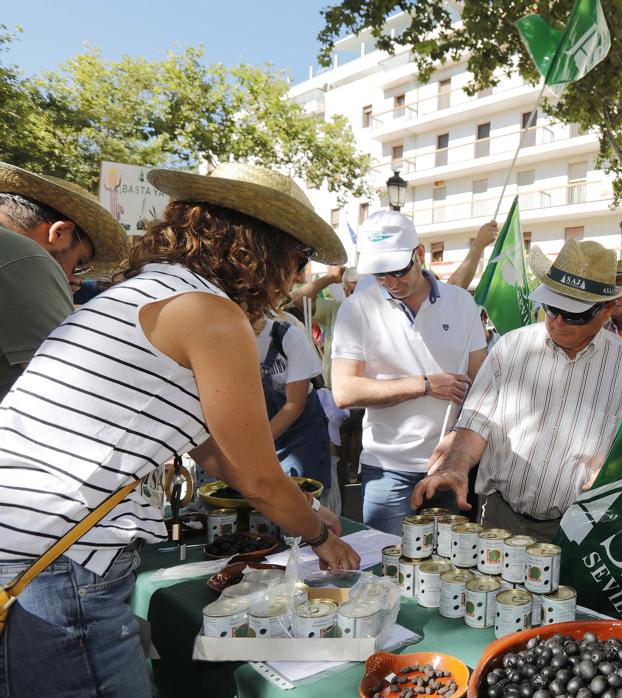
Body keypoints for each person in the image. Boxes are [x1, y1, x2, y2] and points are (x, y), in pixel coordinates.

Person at [0, 162, 360, 697]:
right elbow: (258, 476)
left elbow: (212, 447)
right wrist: (318, 536)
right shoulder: (211, 313)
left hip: (34, 544)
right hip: (64, 560)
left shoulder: (148, 292)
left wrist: (305, 510)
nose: (297, 275)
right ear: (262, 248)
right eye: (298, 257)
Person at [412, 240, 622, 542]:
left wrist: (613, 472)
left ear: (607, 310)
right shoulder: (511, 347)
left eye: (574, 314)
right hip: (499, 516)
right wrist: (457, 465)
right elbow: (477, 420)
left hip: (578, 528)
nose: (557, 321)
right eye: (552, 307)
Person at [331, 210, 487, 535]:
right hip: (386, 467)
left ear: (419, 254)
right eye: (379, 275)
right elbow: (344, 392)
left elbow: (484, 386)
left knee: (445, 571)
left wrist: (459, 440)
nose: (391, 283)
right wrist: (425, 385)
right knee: (385, 570)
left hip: (448, 464)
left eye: (398, 271)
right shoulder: (356, 308)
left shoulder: (461, 303)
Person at [0, 162, 127, 400]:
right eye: (80, 262)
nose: (76, 277)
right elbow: (70, 391)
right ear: (59, 233)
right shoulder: (28, 258)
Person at [255, 314, 333, 490]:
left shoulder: (287, 336)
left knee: (304, 500)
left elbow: (294, 406)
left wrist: (255, 445)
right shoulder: (222, 341)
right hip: (258, 439)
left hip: (301, 438)